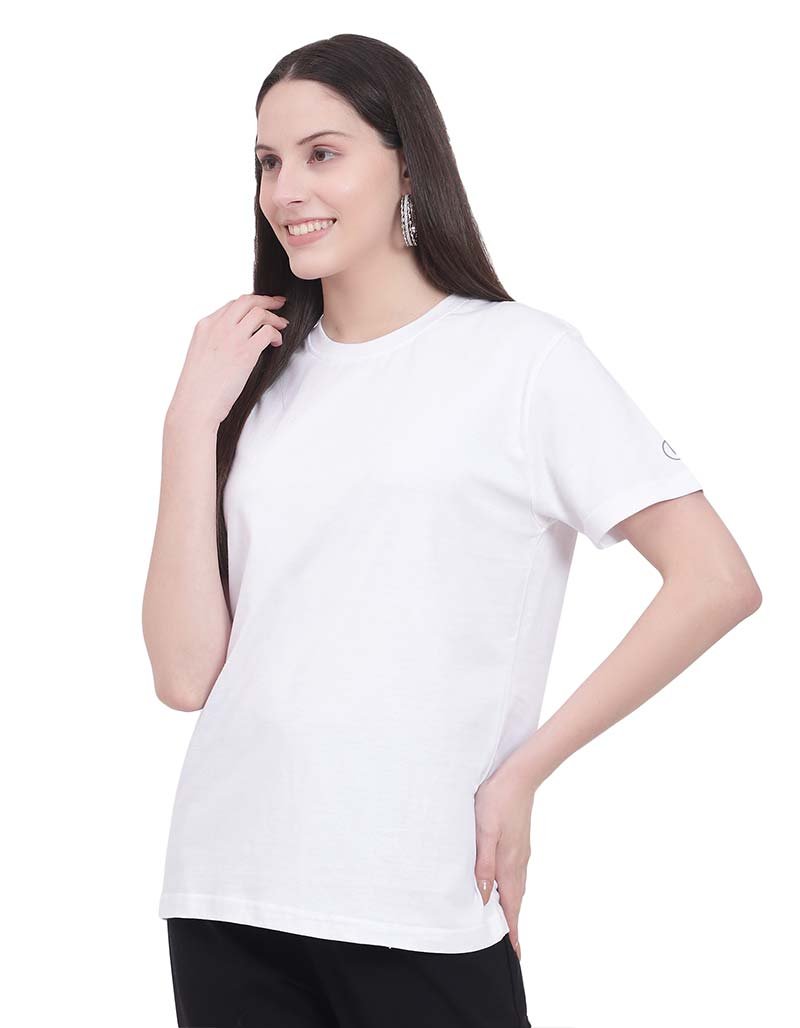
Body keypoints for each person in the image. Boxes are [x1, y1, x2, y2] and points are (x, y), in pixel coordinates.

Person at [142, 33, 762, 1028]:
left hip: (417, 895)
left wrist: (523, 771)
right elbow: (183, 676)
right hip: (226, 889)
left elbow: (715, 579)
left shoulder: (522, 360)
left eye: (322, 153)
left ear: (407, 165)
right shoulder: (251, 384)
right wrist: (186, 426)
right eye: (266, 161)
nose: (285, 190)